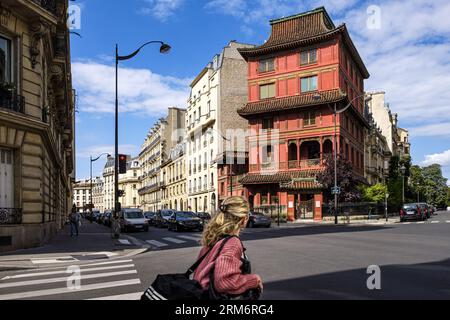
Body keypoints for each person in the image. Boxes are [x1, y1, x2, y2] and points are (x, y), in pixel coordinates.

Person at [193, 196, 263, 300]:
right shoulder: (233, 243)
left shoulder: (214, 239)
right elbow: (224, 282)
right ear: (244, 218)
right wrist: (254, 280)